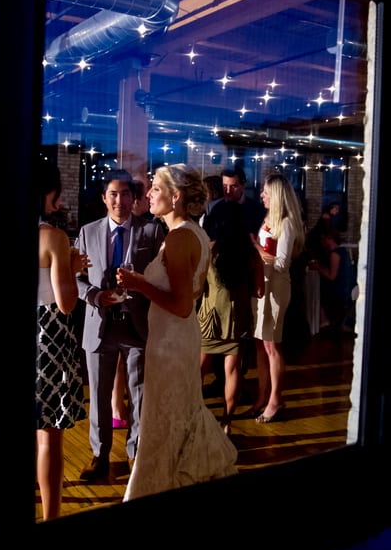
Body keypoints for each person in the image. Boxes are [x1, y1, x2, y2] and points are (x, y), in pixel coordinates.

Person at [116, 163, 238, 500]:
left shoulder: (180, 238)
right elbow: (192, 293)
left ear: (176, 196)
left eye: (156, 188)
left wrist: (139, 283)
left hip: (171, 343)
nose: (149, 193)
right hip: (176, 338)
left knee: (166, 418)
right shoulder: (193, 232)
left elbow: (182, 305)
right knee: (178, 412)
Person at [75, 172, 166, 480]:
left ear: (134, 198)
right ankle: (99, 455)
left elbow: (162, 276)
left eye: (125, 194)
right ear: (104, 198)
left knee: (138, 395)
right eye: (113, 194)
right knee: (99, 396)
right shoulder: (88, 232)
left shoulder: (151, 231)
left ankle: (135, 453)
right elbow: (74, 277)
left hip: (137, 324)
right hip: (100, 325)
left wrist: (140, 285)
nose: (119, 200)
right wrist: (94, 295)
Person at [36, 159, 90, 520]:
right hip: (48, 337)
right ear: (48, 192)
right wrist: (72, 267)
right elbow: (66, 303)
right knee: (48, 436)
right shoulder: (52, 237)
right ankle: (51, 517)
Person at [197, 200, 265, 434]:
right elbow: (260, 291)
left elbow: (198, 286)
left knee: (199, 370)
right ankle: (226, 422)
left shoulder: (210, 250)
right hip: (237, 317)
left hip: (210, 316)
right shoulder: (251, 253)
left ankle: (195, 416)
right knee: (233, 371)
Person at [250, 173, 305, 423]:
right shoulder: (268, 220)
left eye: (266, 192)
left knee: (272, 345)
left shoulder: (287, 223)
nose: (262, 195)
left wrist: (256, 247)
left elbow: (282, 263)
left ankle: (275, 400)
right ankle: (263, 396)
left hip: (276, 287)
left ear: (277, 196)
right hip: (262, 284)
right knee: (262, 344)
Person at [110, 174, 150, 429]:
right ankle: (116, 405)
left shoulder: (150, 229)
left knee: (131, 364)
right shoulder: (104, 229)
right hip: (113, 303)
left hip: (137, 308)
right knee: (117, 359)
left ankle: (122, 409)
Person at [309, 229, 357, 334]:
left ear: (330, 239)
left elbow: (332, 276)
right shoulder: (344, 251)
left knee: (315, 292)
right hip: (349, 290)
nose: (322, 242)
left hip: (341, 292)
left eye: (323, 239)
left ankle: (323, 321)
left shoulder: (335, 253)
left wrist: (318, 267)